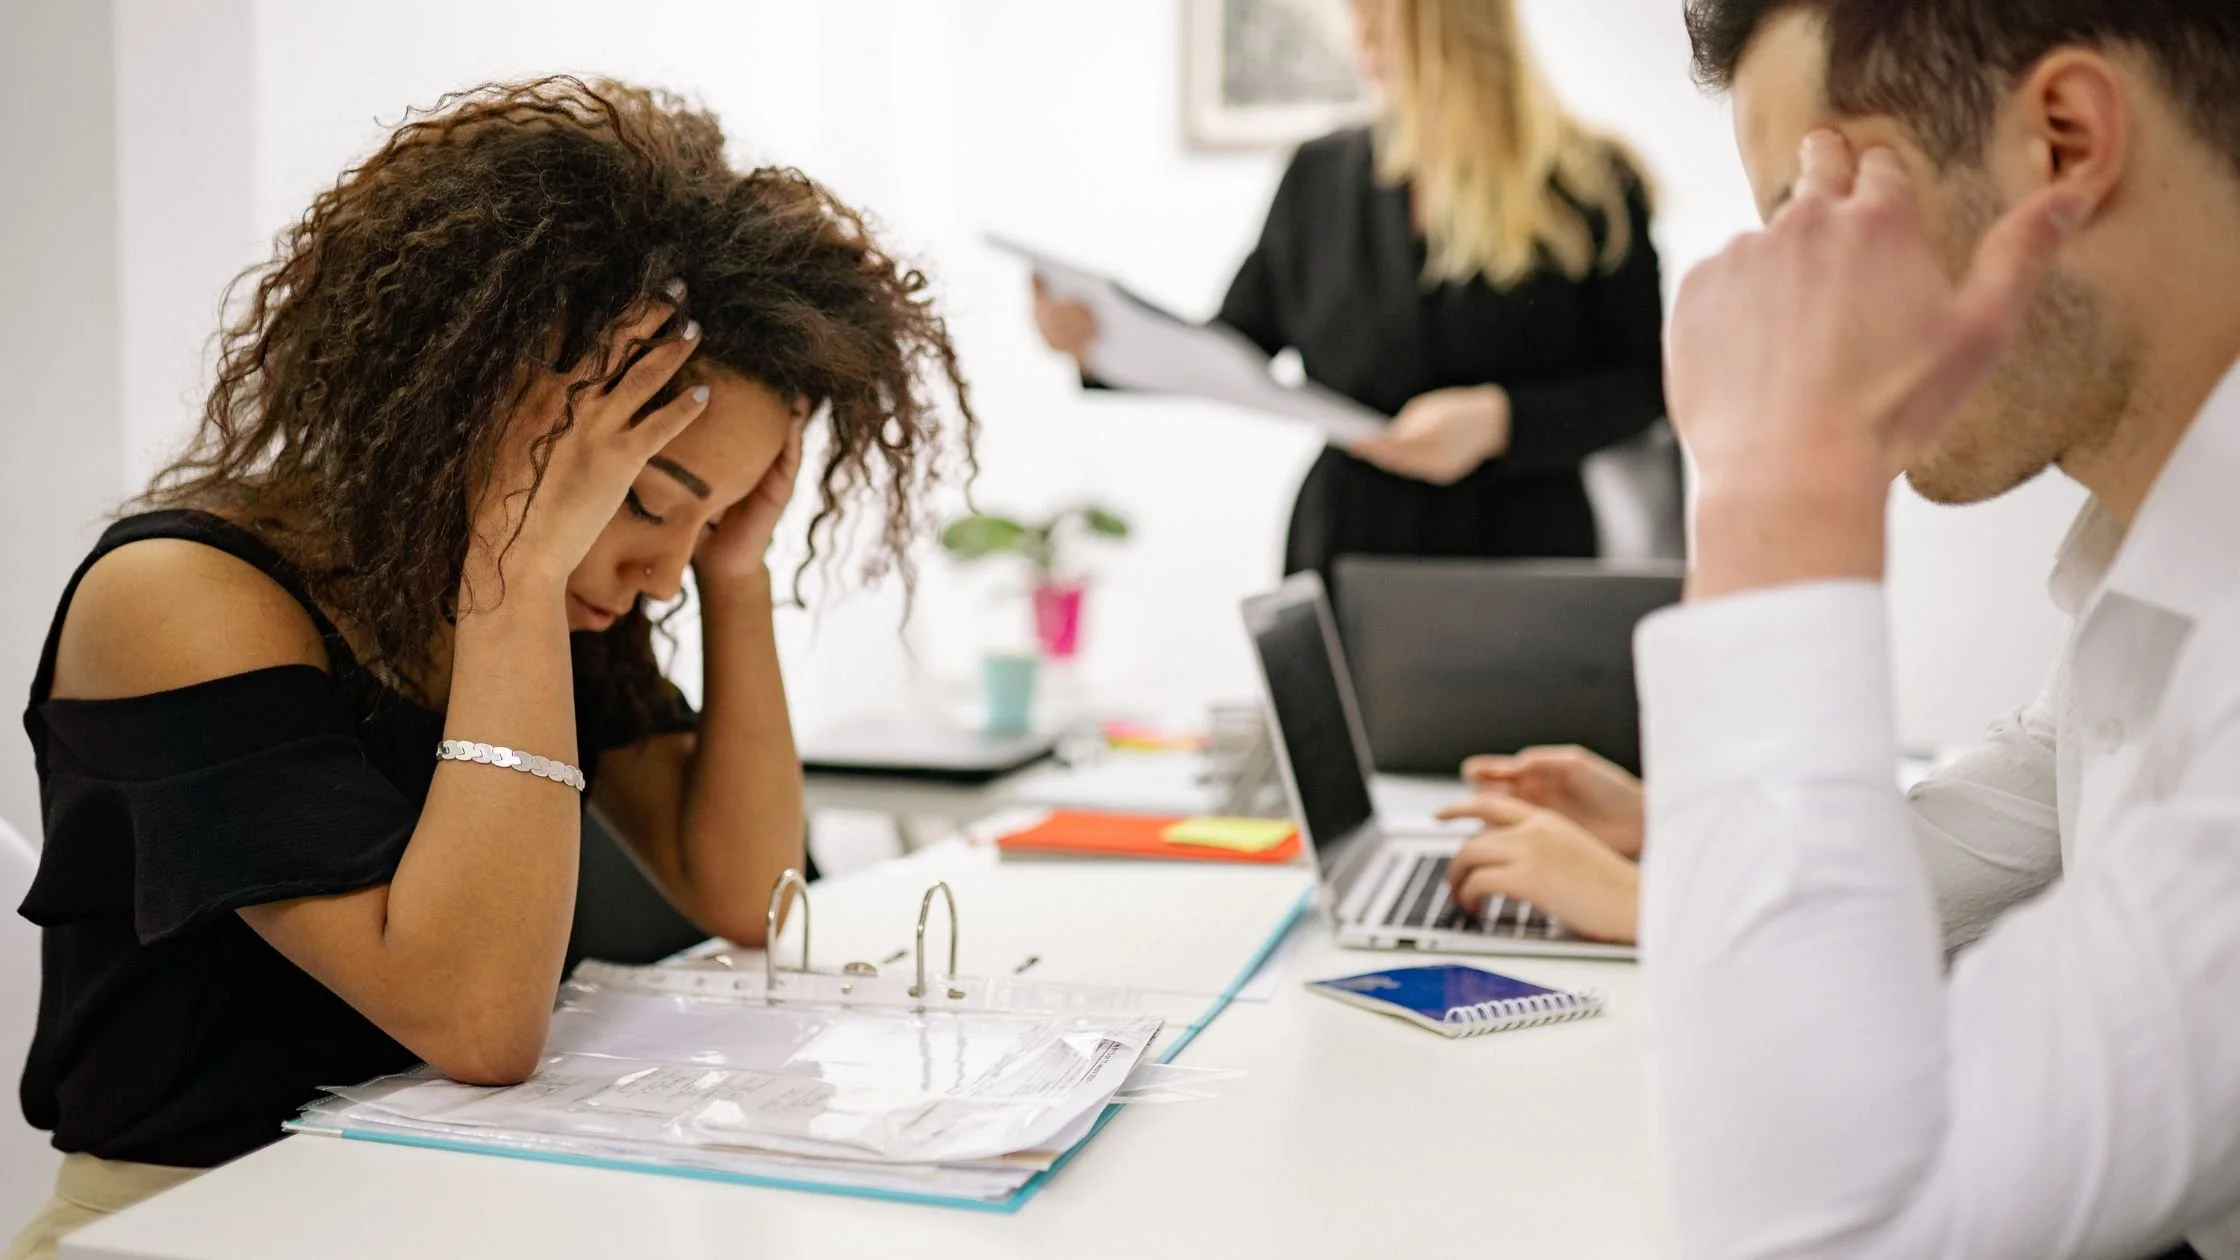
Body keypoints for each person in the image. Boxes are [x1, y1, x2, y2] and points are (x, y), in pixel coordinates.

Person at [6, 77, 972, 1259]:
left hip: (455, 1204)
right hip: (194, 1225)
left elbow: (744, 892)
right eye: (646, 499)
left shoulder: (563, 606)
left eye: (707, 520)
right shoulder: (181, 600)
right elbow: (477, 1020)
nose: (660, 572)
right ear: (490, 411)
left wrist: (736, 573)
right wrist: (515, 567)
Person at [1626, 2, 2239, 1257]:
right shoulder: (2155, 560)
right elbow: (2024, 802)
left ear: (2062, 145)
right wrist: (1674, 847)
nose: (1799, 289)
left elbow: (1830, 1229)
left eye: (1824, 214)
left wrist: (1771, 486)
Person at [1031, 0, 1666, 591]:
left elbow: (1645, 387)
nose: (1361, 39)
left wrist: (1499, 421)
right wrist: (1100, 342)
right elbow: (1232, 349)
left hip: (1524, 559)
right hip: (1349, 548)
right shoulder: (1318, 178)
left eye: (1383, 18)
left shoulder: (1591, 185)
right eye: (1356, 16)